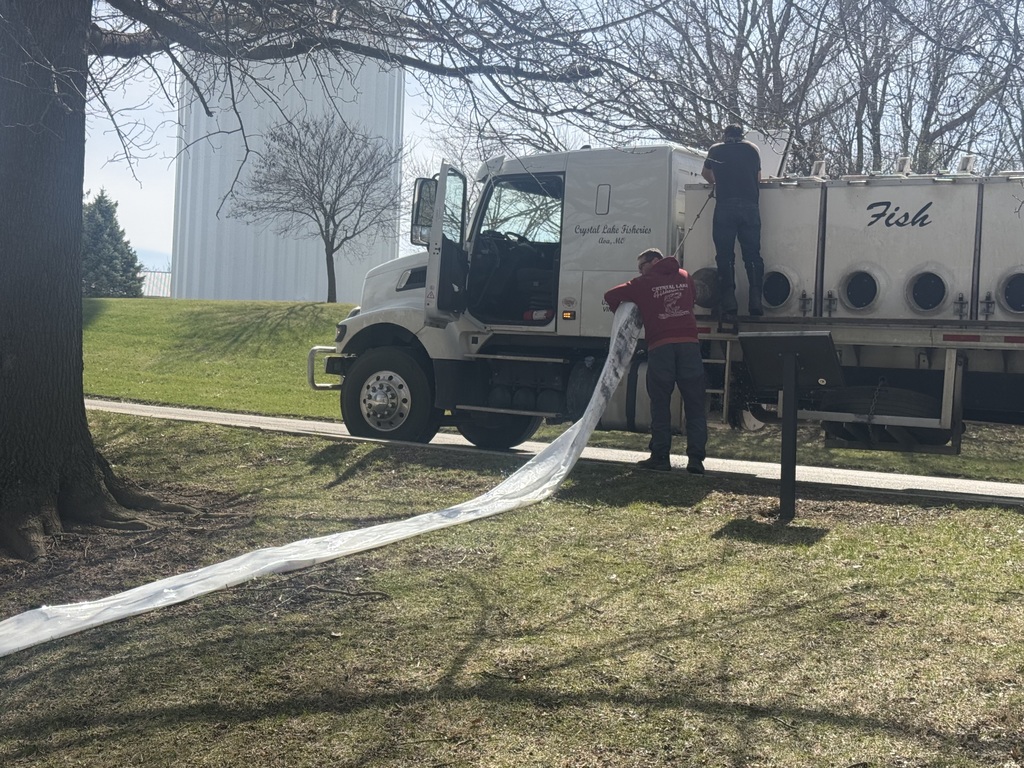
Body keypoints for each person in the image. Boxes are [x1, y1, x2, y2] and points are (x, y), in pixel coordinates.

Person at [604, 248, 707, 474]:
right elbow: (692, 298)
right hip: (690, 345)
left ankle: (660, 457)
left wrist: (629, 315)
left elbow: (610, 295)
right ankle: (696, 460)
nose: (640, 271)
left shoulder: (642, 283)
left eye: (642, 266)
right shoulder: (685, 276)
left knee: (660, 402)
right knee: (694, 403)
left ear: (654, 261)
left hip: (661, 346)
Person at [701, 124, 764, 320]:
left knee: (725, 256)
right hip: (749, 207)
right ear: (742, 135)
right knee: (752, 255)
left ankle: (729, 302)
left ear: (725, 135)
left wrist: (719, 180)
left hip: (725, 207)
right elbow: (758, 178)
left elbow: (705, 174)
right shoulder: (752, 149)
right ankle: (755, 301)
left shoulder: (715, 149)